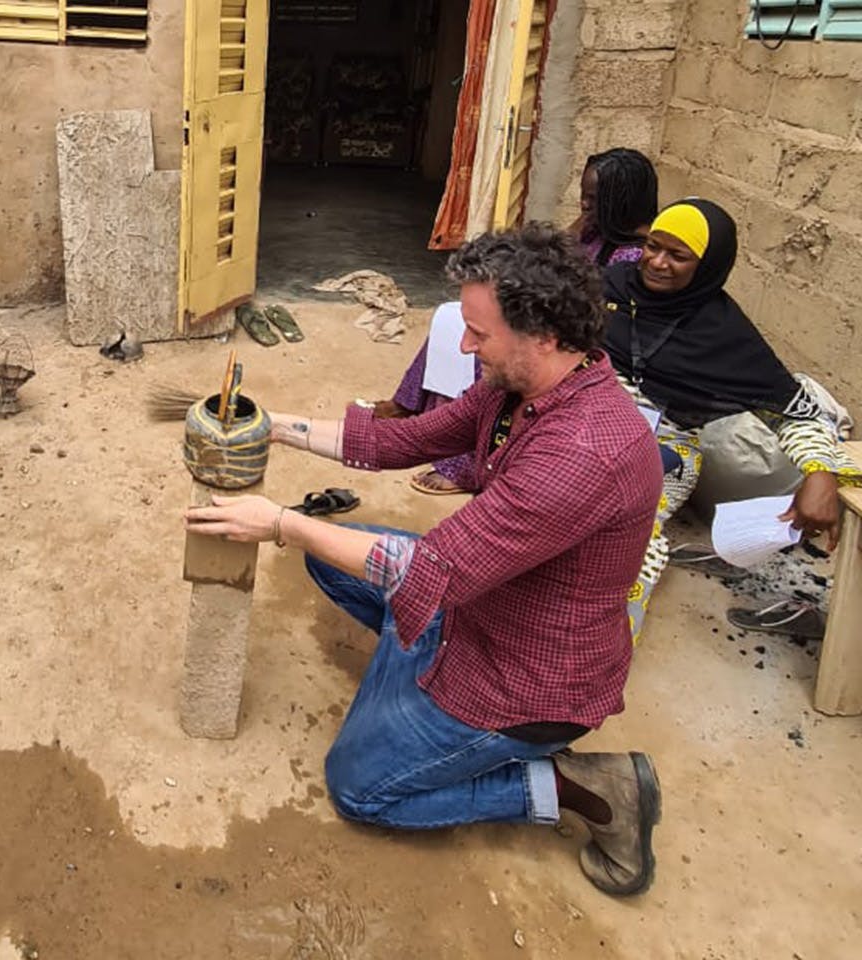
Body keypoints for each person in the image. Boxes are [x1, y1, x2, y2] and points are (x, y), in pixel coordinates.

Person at [187, 223, 665, 896]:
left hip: (522, 675)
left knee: (357, 787)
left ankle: (578, 785)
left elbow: (428, 572)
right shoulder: (520, 389)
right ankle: (409, 670)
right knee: (335, 554)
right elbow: (406, 437)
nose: (464, 345)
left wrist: (280, 524)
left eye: (479, 332)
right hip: (479, 600)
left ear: (545, 334)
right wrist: (274, 426)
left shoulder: (585, 450)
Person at [602, 198, 860, 641]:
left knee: (624, 533)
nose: (658, 263)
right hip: (582, 423)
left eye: (678, 256)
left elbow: (798, 412)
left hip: (663, 444)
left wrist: (821, 472)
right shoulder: (609, 287)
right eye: (652, 247)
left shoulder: (722, 333)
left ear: (707, 266)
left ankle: (596, 652)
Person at [390, 148, 660, 495]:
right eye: (583, 196)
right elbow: (548, 258)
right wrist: (584, 223)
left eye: (594, 199)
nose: (584, 206)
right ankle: (413, 408)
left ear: (621, 202)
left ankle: (467, 464)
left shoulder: (633, 255)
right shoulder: (597, 232)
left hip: (573, 343)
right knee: (453, 318)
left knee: (493, 359)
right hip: (548, 325)